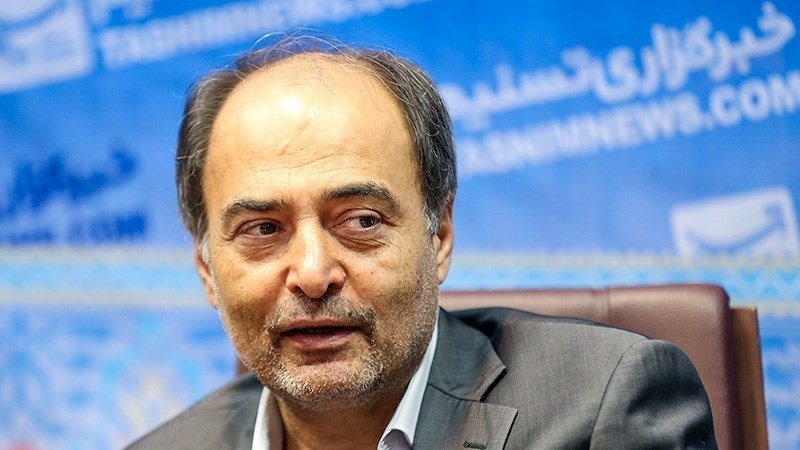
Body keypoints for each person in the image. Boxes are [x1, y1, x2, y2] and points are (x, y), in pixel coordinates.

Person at [126, 35, 717, 450]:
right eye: (263, 230)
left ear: (440, 236)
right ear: (206, 267)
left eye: (361, 221)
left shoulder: (604, 406)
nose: (311, 273)